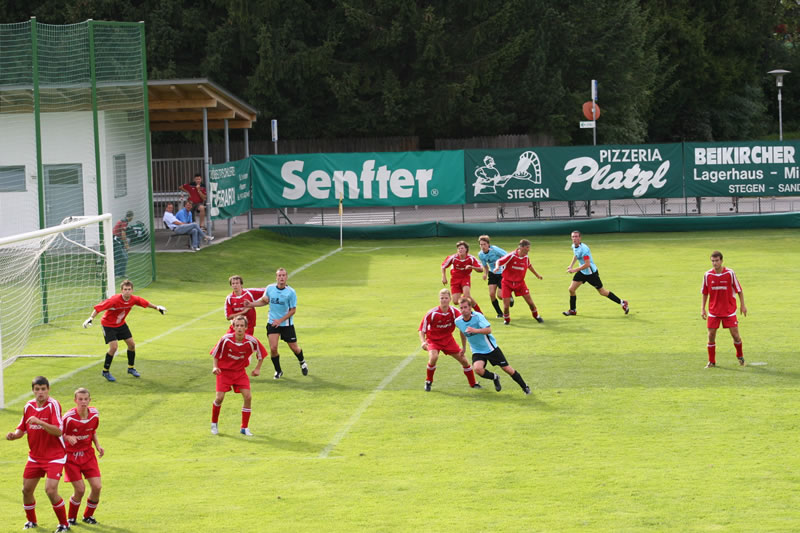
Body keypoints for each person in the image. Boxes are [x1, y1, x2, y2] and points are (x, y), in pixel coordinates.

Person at [6, 376, 70, 532]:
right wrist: (14, 435)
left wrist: (40, 422)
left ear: (48, 390)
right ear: (33, 390)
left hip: (54, 456)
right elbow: (22, 428)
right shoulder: (28, 406)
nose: (40, 392)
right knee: (26, 490)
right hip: (35, 457)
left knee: (50, 490)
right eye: (37, 389)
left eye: (43, 389)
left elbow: (58, 431)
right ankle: (31, 522)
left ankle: (64, 524)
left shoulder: (53, 405)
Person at [82, 279, 167, 382]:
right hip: (108, 325)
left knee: (131, 345)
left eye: (129, 289)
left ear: (132, 290)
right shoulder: (114, 300)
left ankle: (131, 368)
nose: (127, 291)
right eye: (125, 289)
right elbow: (99, 308)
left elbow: (145, 303)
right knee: (114, 347)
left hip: (121, 324)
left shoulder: (133, 299)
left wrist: (157, 308)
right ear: (121, 290)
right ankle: (105, 371)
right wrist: (91, 318)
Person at [455, 299, 531, 395]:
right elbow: (462, 331)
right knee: (478, 369)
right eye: (461, 308)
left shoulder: (478, 316)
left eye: (465, 307)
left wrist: (475, 330)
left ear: (470, 307)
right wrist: (464, 347)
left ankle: (525, 387)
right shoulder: (458, 321)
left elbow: (488, 330)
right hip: (477, 350)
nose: (463, 310)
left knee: (507, 369)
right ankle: (495, 377)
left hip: (490, 348)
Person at [244, 268, 308, 379]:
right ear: (276, 277)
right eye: (279, 275)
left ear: (286, 277)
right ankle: (278, 371)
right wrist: (251, 304)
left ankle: (302, 362)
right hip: (272, 323)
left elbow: (293, 310)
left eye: (283, 275)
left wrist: (281, 320)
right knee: (273, 348)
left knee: (294, 348)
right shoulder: (270, 288)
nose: (281, 277)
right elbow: (264, 301)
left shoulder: (291, 292)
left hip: (286, 324)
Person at [210, 316, 266, 436]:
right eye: (237, 326)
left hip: (240, 372)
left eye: (242, 326)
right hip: (224, 372)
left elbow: (262, 354)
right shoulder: (226, 339)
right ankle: (214, 424)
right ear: (233, 327)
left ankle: (244, 428)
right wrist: (215, 367)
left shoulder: (252, 341)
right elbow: (216, 353)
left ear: (246, 327)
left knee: (248, 397)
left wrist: (257, 368)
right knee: (219, 398)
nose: (239, 328)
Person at [418, 288, 480, 392]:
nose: (444, 300)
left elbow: (463, 327)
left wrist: (464, 346)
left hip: (448, 340)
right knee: (433, 357)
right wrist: (423, 342)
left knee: (464, 360)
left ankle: (473, 383)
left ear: (450, 299)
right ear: (439, 299)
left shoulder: (454, 312)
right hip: (433, 340)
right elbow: (421, 329)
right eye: (442, 298)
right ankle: (428, 381)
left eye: (446, 298)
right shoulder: (431, 313)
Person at [62, 388, 104, 526]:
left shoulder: (94, 414)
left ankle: (88, 516)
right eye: (80, 399)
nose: (83, 402)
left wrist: (98, 446)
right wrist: (67, 437)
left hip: (88, 455)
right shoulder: (68, 418)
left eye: (86, 399)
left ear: (89, 400)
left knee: (97, 487)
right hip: (71, 457)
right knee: (80, 490)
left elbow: (92, 431)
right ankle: (71, 518)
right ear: (75, 401)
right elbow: (57, 433)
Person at [563, 231, 629, 316]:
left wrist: (574, 270)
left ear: (580, 238)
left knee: (602, 292)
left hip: (591, 274)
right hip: (582, 272)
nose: (574, 238)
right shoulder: (574, 246)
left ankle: (623, 302)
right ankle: (573, 310)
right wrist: (571, 265)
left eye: (576, 237)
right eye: (573, 237)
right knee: (571, 289)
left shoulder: (584, 249)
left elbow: (587, 264)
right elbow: (576, 255)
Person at [701, 250, 746, 368]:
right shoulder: (707, 275)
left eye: (716, 261)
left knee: (735, 335)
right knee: (711, 335)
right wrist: (703, 308)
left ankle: (740, 356)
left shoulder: (730, 273)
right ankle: (711, 361)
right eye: (712, 261)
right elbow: (705, 293)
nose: (714, 263)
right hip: (713, 311)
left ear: (721, 261)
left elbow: (739, 290)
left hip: (729, 311)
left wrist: (743, 305)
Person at [494, 239, 544, 325]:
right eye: (527, 247)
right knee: (506, 307)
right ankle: (507, 320)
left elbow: (529, 265)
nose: (529, 249)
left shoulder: (526, 257)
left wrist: (537, 275)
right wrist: (497, 267)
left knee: (531, 303)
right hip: (507, 283)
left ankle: (537, 316)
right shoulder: (511, 256)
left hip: (520, 283)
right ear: (521, 247)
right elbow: (499, 261)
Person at [441, 240, 484, 314]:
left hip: (465, 278)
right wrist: (444, 277)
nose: (460, 250)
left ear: (466, 249)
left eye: (462, 248)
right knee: (455, 301)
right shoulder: (453, 257)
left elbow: (481, 269)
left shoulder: (471, 258)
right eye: (459, 249)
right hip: (455, 279)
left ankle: (479, 313)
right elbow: (443, 266)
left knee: (467, 296)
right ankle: (468, 307)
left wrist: (472, 267)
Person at [478, 235, 514, 318]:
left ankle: (509, 295)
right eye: (481, 244)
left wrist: (506, 267)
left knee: (500, 296)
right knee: (491, 294)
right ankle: (499, 313)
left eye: (484, 244)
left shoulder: (494, 249)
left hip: (502, 273)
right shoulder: (480, 254)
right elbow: (485, 266)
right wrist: (485, 274)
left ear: (488, 244)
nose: (483, 246)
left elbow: (507, 256)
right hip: (492, 273)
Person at [112, 210, 133, 278]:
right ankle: (117, 274)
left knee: (125, 257)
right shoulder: (124, 222)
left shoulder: (123, 221)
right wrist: (126, 244)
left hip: (118, 240)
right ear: (131, 217)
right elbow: (123, 234)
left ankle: (121, 273)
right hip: (115, 240)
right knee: (121, 257)